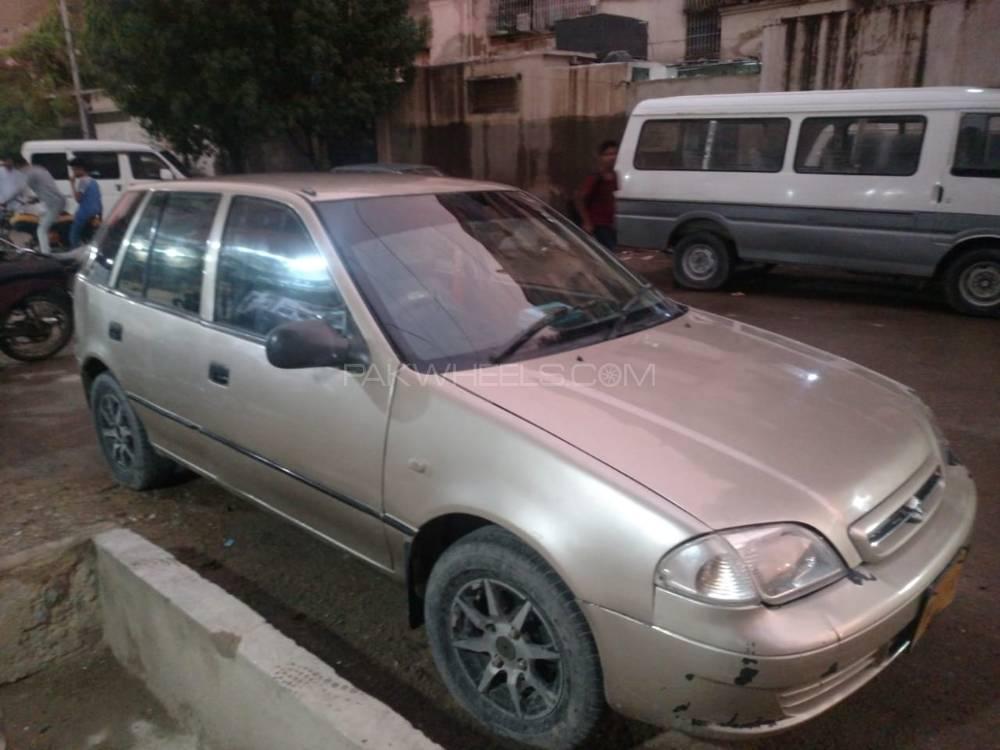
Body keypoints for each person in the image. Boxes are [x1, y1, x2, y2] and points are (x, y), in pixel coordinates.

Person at [2, 156, 66, 255]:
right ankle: (40, 245)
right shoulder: (38, 169)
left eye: (12, 166)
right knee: (39, 220)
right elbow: (44, 187)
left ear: (17, 164)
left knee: (41, 230)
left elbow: (18, 190)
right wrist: (34, 199)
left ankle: (46, 254)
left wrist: (4, 201)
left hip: (54, 203)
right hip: (53, 202)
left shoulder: (28, 172)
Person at [574, 140, 619, 253]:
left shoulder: (614, 175)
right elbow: (579, 199)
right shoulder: (596, 176)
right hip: (597, 225)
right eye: (608, 154)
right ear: (600, 157)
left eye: (615, 154)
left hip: (609, 224)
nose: (612, 157)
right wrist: (587, 222)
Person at [69, 158, 102, 247]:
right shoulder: (94, 181)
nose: (73, 173)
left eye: (74, 170)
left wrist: (72, 184)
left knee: (73, 236)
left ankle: (75, 254)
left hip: (84, 213)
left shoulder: (83, 181)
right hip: (95, 213)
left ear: (80, 169)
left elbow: (78, 199)